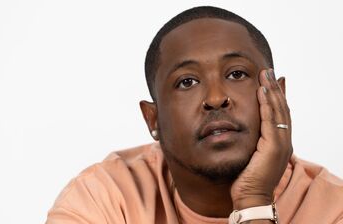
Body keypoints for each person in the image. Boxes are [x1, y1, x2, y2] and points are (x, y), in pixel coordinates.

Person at [45, 6, 343, 224]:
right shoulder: (105, 198)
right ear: (153, 120)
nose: (215, 99)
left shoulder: (334, 209)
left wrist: (253, 201)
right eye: (187, 82)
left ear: (278, 96)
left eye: (237, 74)